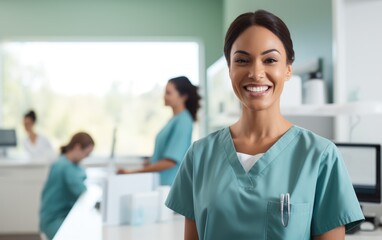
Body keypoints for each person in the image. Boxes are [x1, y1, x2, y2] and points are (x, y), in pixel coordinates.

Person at [165, 10, 364, 239]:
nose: (256, 73)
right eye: (242, 60)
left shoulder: (320, 157)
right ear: (229, 69)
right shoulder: (199, 156)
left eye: (270, 60)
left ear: (288, 69)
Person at [117, 76, 201, 186]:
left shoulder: (184, 121)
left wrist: (133, 173)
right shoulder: (174, 120)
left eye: (168, 93)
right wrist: (149, 163)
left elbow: (170, 162)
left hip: (170, 187)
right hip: (162, 184)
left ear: (183, 96)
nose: (164, 96)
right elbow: (164, 157)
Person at [39, 132, 95, 240]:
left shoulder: (65, 162)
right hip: (55, 220)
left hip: (58, 216)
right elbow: (82, 192)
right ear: (77, 147)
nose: (85, 158)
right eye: (86, 154)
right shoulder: (65, 167)